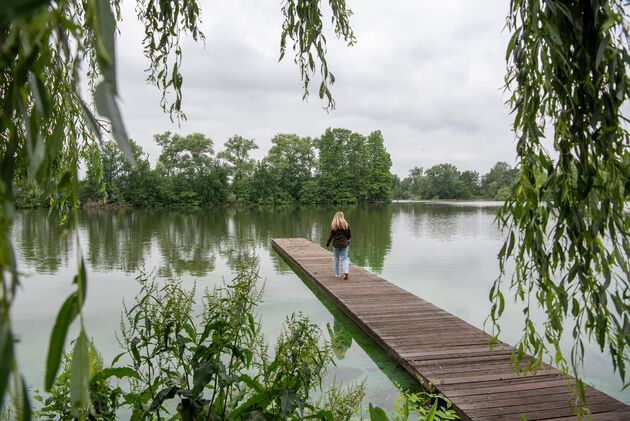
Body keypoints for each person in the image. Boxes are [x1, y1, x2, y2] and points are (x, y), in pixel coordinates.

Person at [325, 211, 351, 280]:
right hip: (344, 244)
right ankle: (346, 271)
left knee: (336, 259)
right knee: (345, 258)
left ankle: (337, 274)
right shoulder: (346, 225)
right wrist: (347, 239)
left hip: (336, 244)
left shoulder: (334, 226)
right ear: (343, 217)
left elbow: (331, 236)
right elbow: (349, 235)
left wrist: (327, 244)